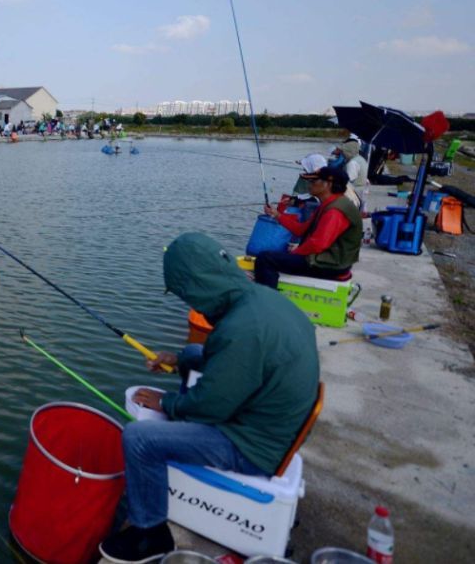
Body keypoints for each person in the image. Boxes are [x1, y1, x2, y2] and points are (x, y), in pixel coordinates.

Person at [99, 232, 319, 563]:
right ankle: (150, 519)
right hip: (272, 419)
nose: (192, 305)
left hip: (253, 446)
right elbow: (235, 360)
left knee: (139, 438)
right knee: (191, 351)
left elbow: (208, 408)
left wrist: (168, 404)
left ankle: (150, 533)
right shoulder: (260, 299)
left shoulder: (241, 329)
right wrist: (179, 359)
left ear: (198, 286)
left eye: (187, 296)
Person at [254, 165, 362, 289]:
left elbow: (317, 244)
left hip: (331, 266)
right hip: (328, 260)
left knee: (265, 259)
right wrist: (277, 215)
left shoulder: (335, 211)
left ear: (328, 184)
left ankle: (267, 300)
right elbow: (301, 229)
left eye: (313, 181)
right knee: (275, 254)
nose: (309, 184)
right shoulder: (328, 204)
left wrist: (295, 253)